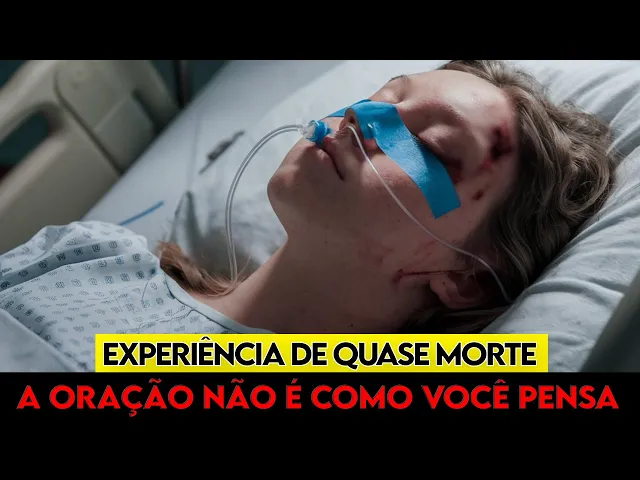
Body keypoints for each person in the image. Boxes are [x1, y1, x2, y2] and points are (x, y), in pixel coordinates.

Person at [0, 60, 620, 371]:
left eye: (426, 147)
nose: (360, 121)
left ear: (465, 279)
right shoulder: (92, 254)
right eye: (379, 100)